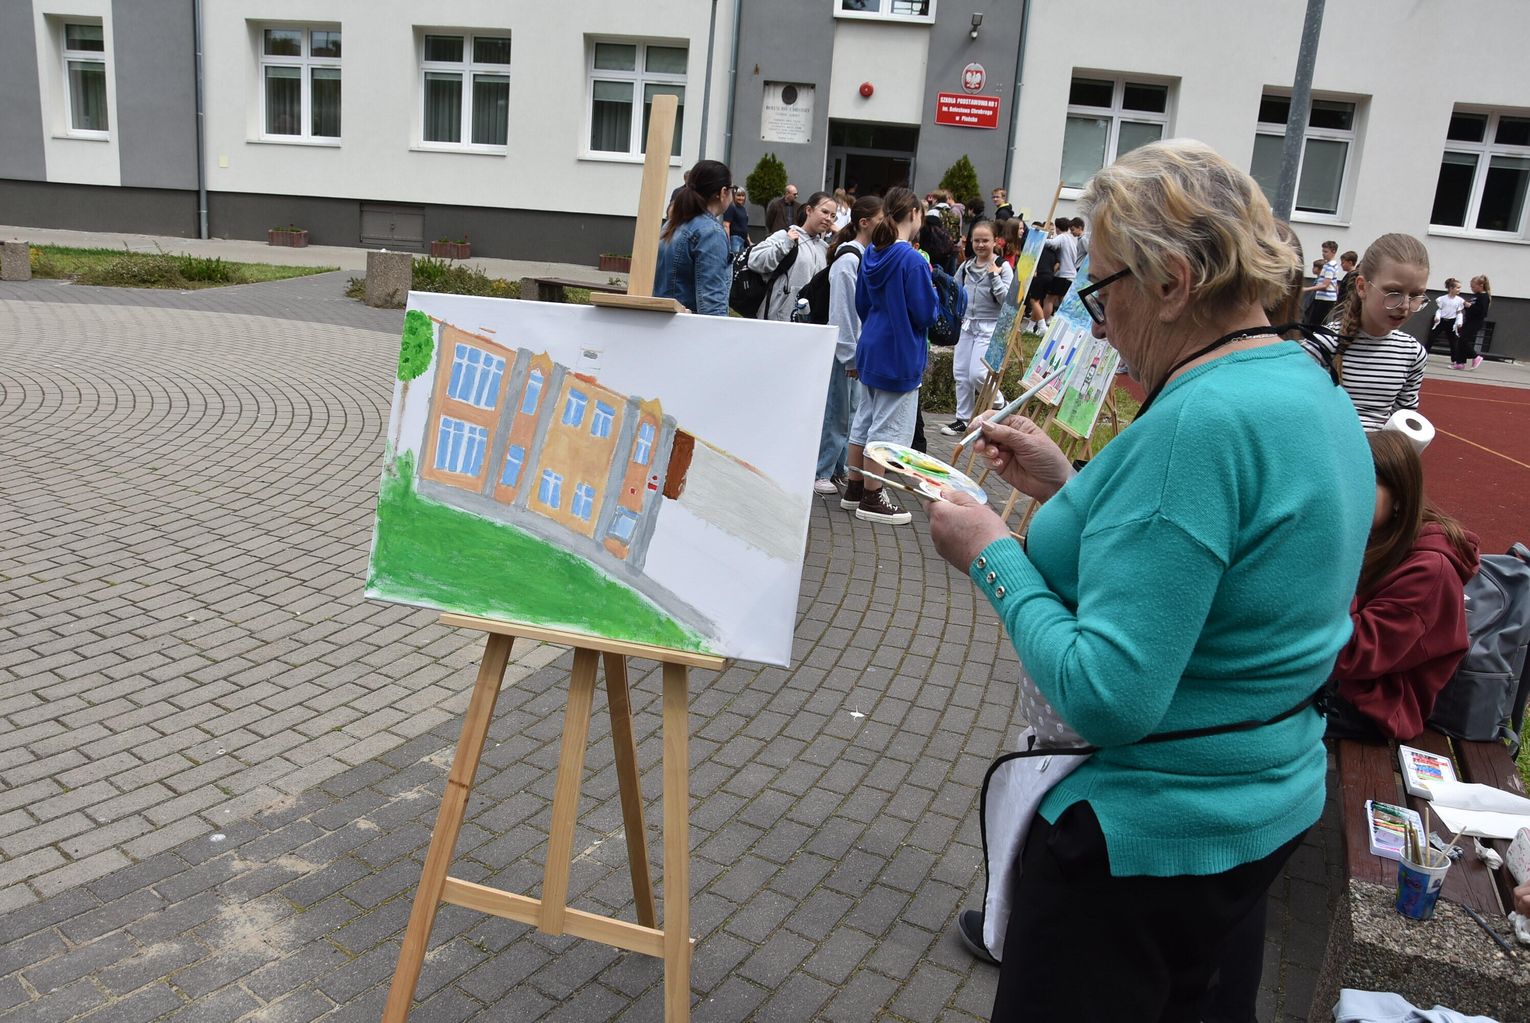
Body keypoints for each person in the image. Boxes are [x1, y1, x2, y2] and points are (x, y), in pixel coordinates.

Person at [926, 139, 1373, 1020]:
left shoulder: (1198, 420)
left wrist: (991, 553)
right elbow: (1219, 562)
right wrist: (1070, 486)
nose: (1098, 323)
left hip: (1145, 842)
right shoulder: (1305, 382)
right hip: (1258, 809)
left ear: (1171, 281)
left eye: (1102, 290)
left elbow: (1109, 693)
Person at [1324, 430, 1479, 741]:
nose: (1348, 498)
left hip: (1370, 708)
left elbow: (1351, 654)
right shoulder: (1382, 535)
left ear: (1399, 497)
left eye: (1363, 487)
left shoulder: (1430, 573)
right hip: (1338, 681)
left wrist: (1341, 558)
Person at [841, 187, 938, 525]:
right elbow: (925, 313)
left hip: (872, 345)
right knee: (887, 430)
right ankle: (873, 496)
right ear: (913, 213)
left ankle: (854, 488)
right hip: (899, 352)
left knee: (864, 421)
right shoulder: (912, 260)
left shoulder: (872, 252)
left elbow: (862, 304)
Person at [1301, 233, 1431, 432]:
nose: (1405, 305)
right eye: (1393, 292)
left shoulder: (1413, 353)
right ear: (1362, 287)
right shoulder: (1321, 344)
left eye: (1415, 295)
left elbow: (1403, 419)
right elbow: (1301, 413)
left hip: (1381, 451)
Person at [813, 195, 884, 496]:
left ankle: (838, 467)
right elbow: (841, 312)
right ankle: (821, 470)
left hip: (855, 349)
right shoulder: (849, 260)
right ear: (864, 222)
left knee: (851, 410)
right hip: (846, 350)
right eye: (880, 220)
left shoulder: (863, 257)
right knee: (838, 411)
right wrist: (849, 355)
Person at [942, 221, 1014, 437]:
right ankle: (963, 419)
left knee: (978, 374)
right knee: (961, 373)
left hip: (990, 326)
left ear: (995, 241)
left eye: (985, 240)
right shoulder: (966, 266)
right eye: (976, 241)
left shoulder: (1003, 267)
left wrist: (994, 276)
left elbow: (1008, 301)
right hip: (967, 324)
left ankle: (1000, 404)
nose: (980, 245)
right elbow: (956, 291)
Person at [653, 159, 733, 316]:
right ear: (723, 192)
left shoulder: (671, 224)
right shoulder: (711, 232)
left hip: (662, 322)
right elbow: (712, 306)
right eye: (732, 189)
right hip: (689, 327)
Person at [746, 190, 836, 322]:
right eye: (824, 212)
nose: (828, 218)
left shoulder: (824, 248)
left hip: (808, 324)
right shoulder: (786, 235)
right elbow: (754, 260)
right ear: (809, 210)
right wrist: (785, 246)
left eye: (833, 215)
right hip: (777, 322)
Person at [1042, 217, 1087, 317]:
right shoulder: (1071, 239)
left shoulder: (1062, 237)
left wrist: (1041, 238)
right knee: (1064, 302)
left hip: (1062, 275)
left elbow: (1052, 243)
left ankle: (1042, 322)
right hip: (1071, 275)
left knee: (1049, 299)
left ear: (1058, 228)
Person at [1431, 278, 1467, 368]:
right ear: (1451, 288)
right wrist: (1437, 317)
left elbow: (1459, 313)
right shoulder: (1442, 299)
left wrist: (1459, 322)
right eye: (1457, 288)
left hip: (1451, 322)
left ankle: (1454, 359)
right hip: (1441, 321)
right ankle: (1423, 354)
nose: (1459, 289)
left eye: (1459, 288)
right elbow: (1439, 310)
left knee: (1453, 341)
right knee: (1431, 338)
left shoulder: (1460, 300)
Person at [1302, 240, 1341, 325]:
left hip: (1325, 299)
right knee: (1313, 321)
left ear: (1333, 251)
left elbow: (1325, 285)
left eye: (1326, 252)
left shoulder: (1330, 266)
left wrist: (1307, 289)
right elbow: (1334, 283)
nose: (1323, 254)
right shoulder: (1328, 264)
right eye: (1323, 251)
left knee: (1316, 323)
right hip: (1323, 297)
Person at [1459, 274, 1492, 370]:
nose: (1471, 288)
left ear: (1480, 285)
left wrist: (1470, 306)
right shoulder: (1476, 296)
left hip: (1476, 322)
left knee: (1463, 340)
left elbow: (1482, 312)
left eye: (1473, 287)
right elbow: (1472, 309)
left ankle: (1475, 356)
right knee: (1461, 340)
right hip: (1469, 320)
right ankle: (1460, 362)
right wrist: (1466, 306)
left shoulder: (1484, 296)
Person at [722, 187, 750, 255]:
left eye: (743, 196)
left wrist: (749, 241)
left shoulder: (743, 209)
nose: (741, 198)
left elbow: (744, 226)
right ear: (734, 196)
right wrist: (728, 242)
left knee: (740, 260)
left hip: (743, 240)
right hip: (735, 239)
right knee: (734, 259)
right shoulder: (731, 207)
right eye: (738, 195)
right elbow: (726, 225)